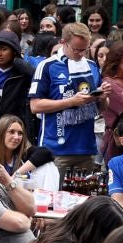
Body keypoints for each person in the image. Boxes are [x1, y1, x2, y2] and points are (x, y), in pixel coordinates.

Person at [31, 22, 103, 182]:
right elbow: (35, 106)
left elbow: (101, 109)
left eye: (84, 49)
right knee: (53, 200)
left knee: (85, 202)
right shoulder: (47, 66)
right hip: (57, 148)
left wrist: (104, 96)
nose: (80, 54)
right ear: (63, 43)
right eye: (76, 49)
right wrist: (71, 102)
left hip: (87, 148)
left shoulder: (91, 66)